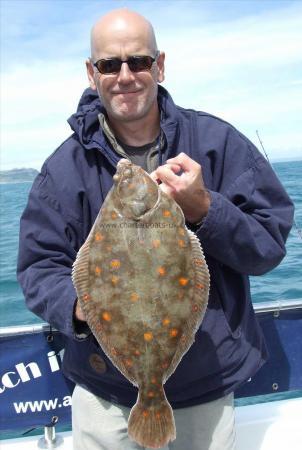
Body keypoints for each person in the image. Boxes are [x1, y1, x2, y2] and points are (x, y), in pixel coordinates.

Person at [17, 8, 294, 450]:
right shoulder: (63, 171)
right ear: (92, 74)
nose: (125, 75)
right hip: (103, 390)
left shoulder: (218, 143)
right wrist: (82, 305)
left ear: (159, 66)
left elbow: (268, 249)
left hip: (206, 385)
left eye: (139, 62)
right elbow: (36, 268)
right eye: (110, 64)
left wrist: (204, 207)